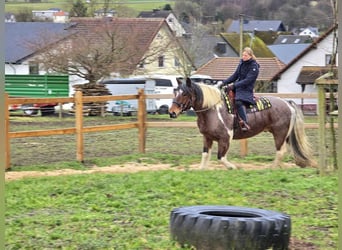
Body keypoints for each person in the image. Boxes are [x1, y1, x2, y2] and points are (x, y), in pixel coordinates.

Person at [219, 47, 259, 131]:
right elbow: (235, 76)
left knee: (238, 101)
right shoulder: (241, 63)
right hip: (238, 87)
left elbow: (248, 80)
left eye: (245, 55)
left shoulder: (254, 66)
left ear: (250, 56)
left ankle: (244, 122)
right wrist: (223, 83)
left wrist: (234, 85)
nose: (243, 57)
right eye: (243, 55)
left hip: (246, 89)